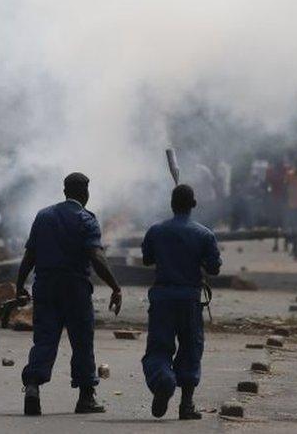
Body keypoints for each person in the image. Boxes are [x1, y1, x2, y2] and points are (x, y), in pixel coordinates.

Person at [16, 172, 123, 416]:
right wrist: (115, 287)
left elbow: (29, 256)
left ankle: (33, 385)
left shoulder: (43, 216)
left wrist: (19, 285)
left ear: (65, 191)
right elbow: (96, 256)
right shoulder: (86, 219)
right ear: (85, 193)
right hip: (75, 289)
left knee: (44, 339)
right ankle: (86, 397)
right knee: (82, 341)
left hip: (45, 287)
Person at [140, 184, 222, 420]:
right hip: (189, 299)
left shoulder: (156, 231)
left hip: (163, 297)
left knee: (158, 348)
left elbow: (147, 260)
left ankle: (163, 379)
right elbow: (214, 268)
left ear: (171, 204)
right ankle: (186, 405)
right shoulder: (204, 234)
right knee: (191, 349)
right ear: (193, 205)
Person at [265, 156, 288, 251]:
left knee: (284, 224)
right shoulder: (273, 171)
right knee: (278, 224)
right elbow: (267, 182)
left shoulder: (285, 170)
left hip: (282, 200)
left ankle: (283, 244)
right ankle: (278, 244)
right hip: (277, 201)